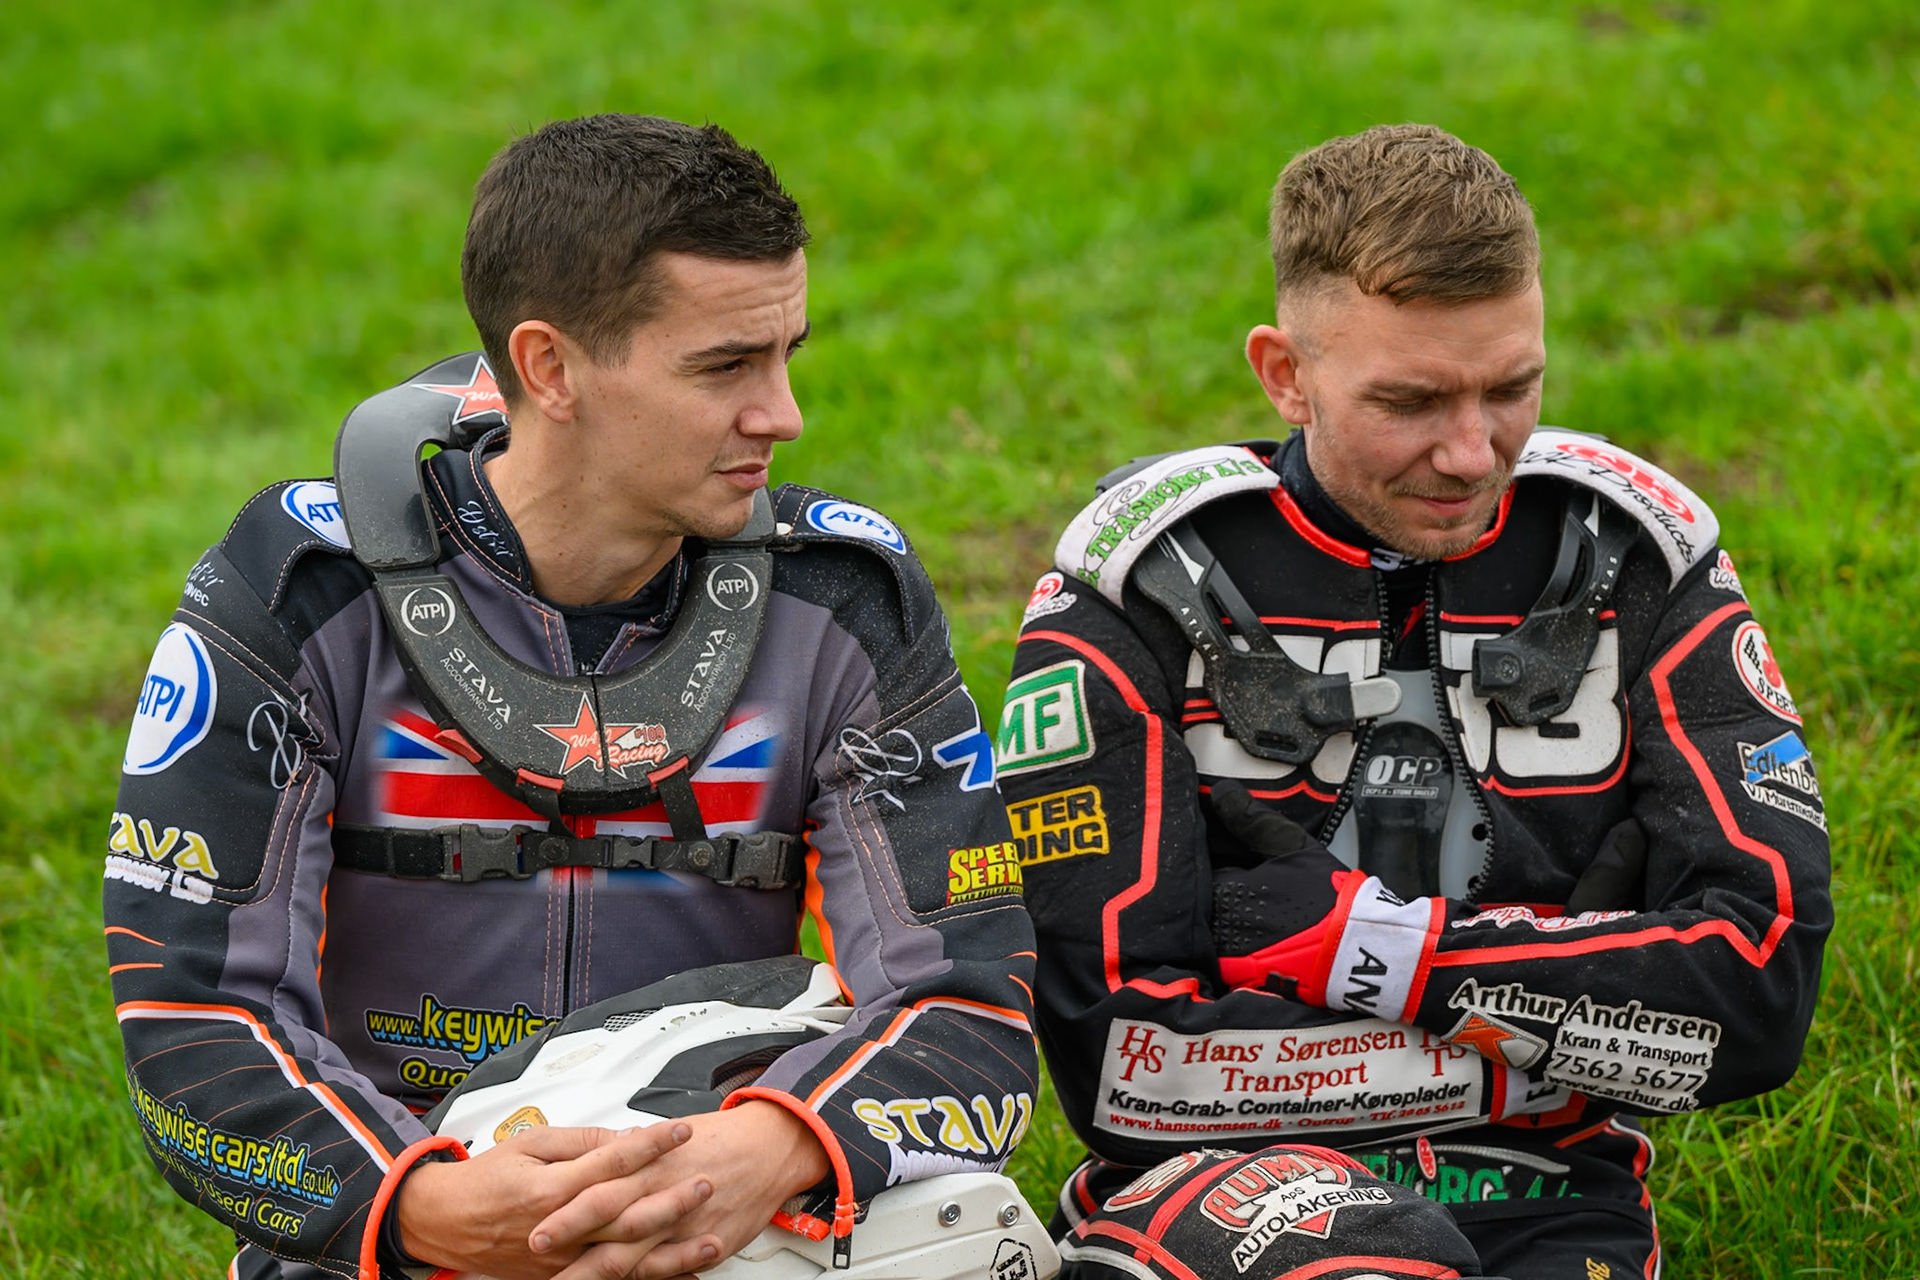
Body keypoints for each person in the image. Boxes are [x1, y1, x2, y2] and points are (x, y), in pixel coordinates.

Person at [105, 114, 1037, 1280]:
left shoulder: (842, 602)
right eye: (725, 366)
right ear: (549, 367)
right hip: (401, 1227)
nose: (784, 415)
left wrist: (776, 1144)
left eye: (786, 353)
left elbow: (967, 993)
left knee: (975, 1237)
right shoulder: (299, 598)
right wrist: (419, 1205)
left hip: (714, 1210)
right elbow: (195, 1017)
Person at [998, 123, 1830, 1277]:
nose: (1473, 452)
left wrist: (1370, 947)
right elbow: (1130, 1073)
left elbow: (1759, 998)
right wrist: (1571, 1022)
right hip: (1230, 1197)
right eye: (1412, 400)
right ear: (1285, 374)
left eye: (1513, 388)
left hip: (1553, 1201)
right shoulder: (1128, 588)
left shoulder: (1645, 557)